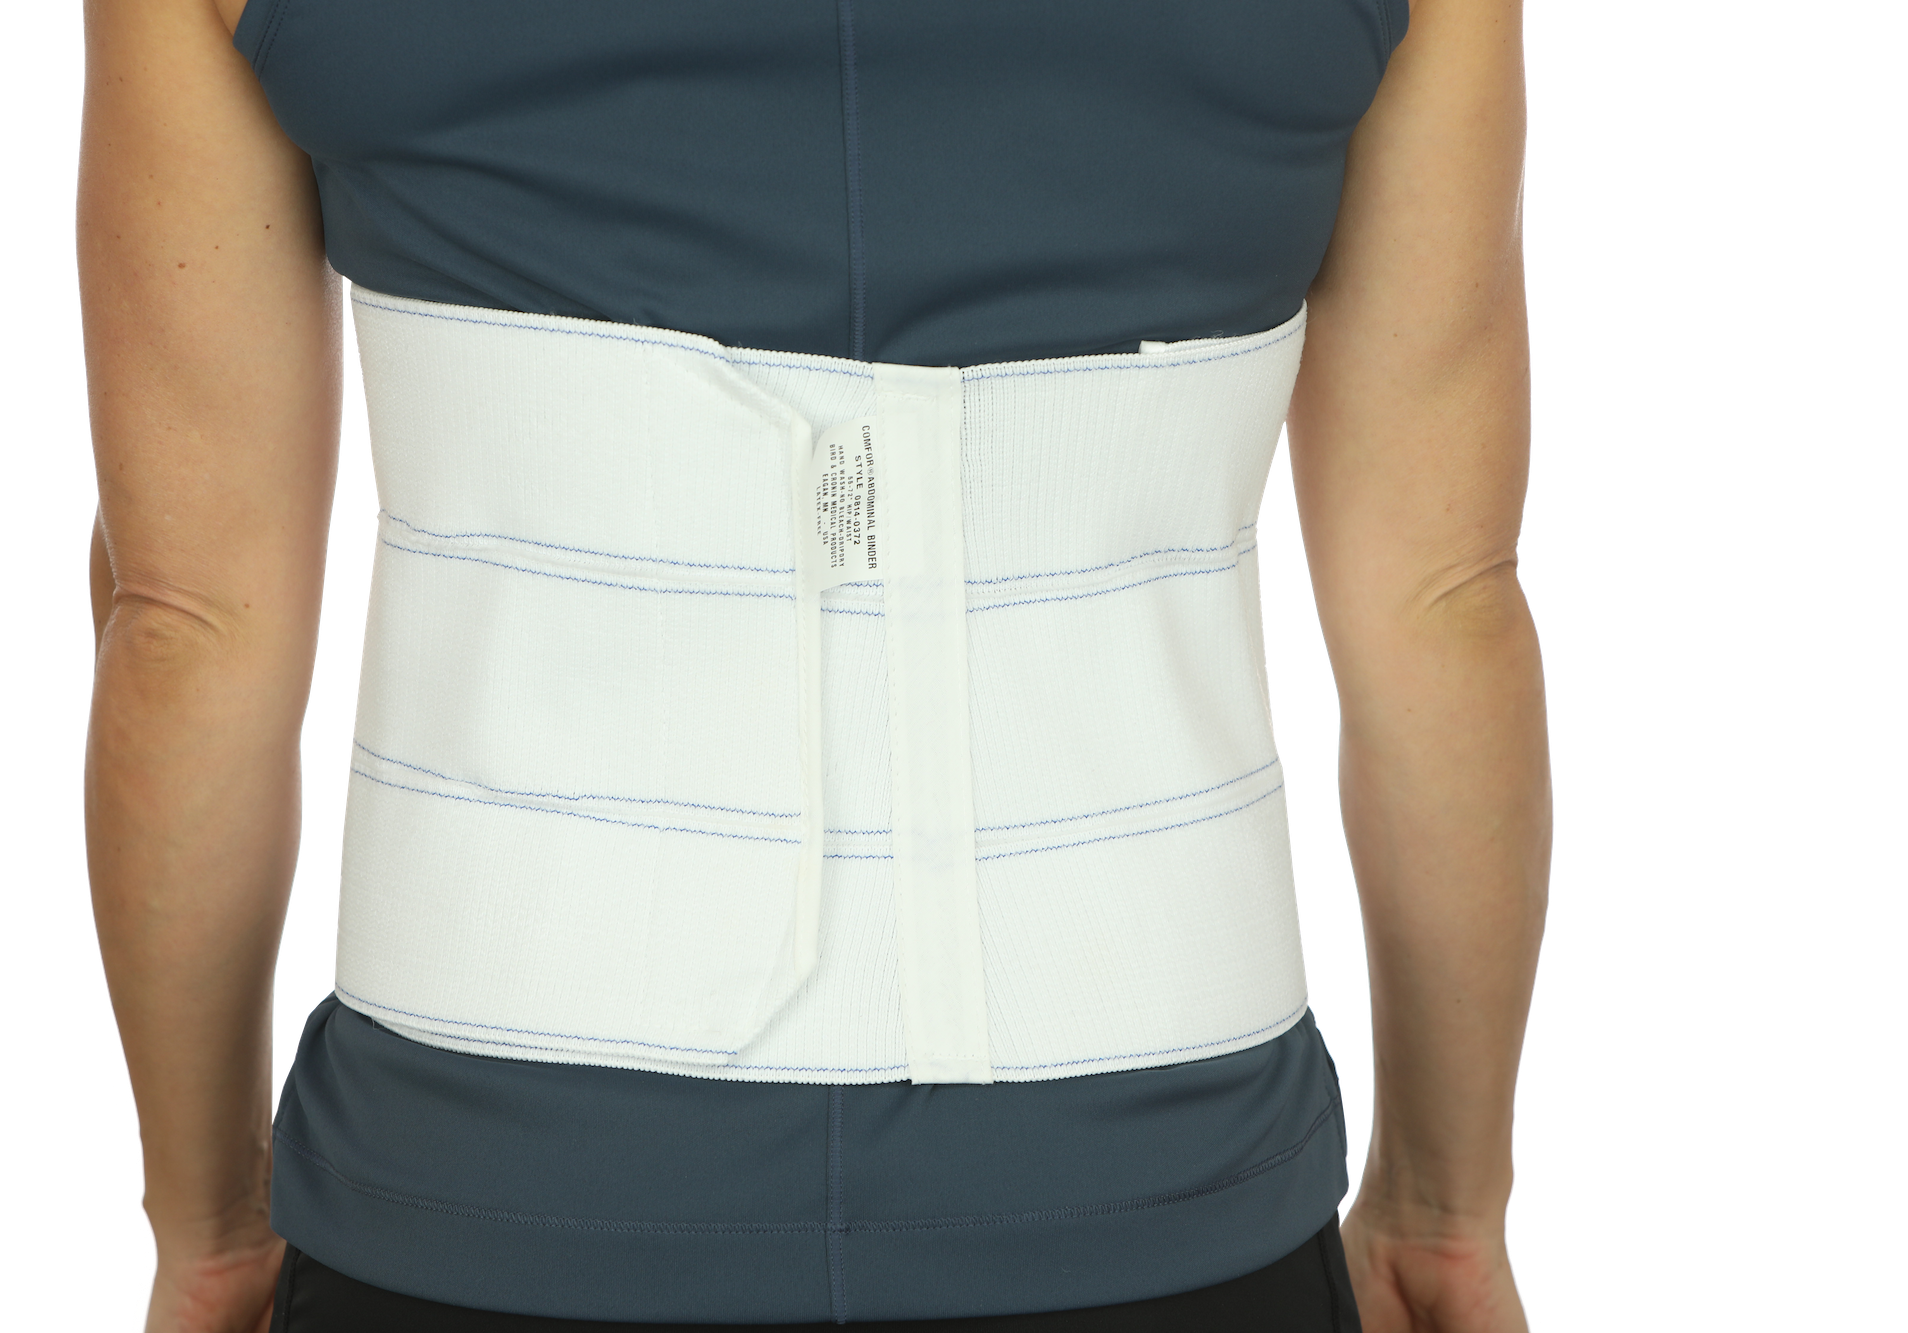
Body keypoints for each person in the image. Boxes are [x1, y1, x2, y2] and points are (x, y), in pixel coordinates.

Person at [78, 0, 1548, 1330]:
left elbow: (186, 633)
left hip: (482, 1211)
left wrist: (207, 1225)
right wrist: (1440, 1206)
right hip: (1163, 1210)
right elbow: (1441, 610)